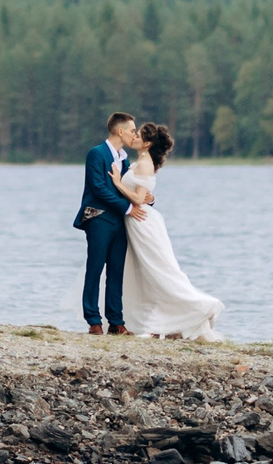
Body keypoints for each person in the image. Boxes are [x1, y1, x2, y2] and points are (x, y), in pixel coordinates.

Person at [112, 123, 224, 340]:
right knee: (145, 273)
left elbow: (137, 198)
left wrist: (118, 183)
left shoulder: (145, 164)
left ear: (147, 143)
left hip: (142, 222)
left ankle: (200, 307)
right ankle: (159, 323)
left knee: (158, 270)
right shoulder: (139, 162)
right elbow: (142, 195)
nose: (133, 137)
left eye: (139, 135)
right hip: (135, 221)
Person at [73, 113, 149, 333]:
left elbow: (129, 188)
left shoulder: (124, 159)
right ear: (120, 131)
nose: (135, 134)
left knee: (116, 271)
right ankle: (94, 321)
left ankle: (116, 321)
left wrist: (146, 199)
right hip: (98, 218)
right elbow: (98, 187)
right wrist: (127, 207)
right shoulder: (96, 154)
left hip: (120, 221)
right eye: (133, 130)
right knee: (95, 268)